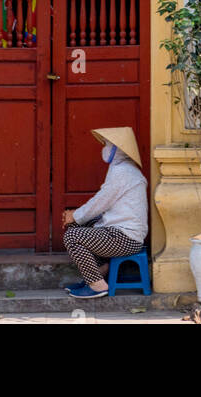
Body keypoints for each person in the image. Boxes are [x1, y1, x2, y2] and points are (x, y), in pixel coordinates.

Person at [62, 126, 148, 298]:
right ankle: (99, 272)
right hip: (120, 233)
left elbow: (102, 201)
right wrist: (77, 218)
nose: (104, 149)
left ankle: (97, 285)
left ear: (118, 149)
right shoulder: (123, 169)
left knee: (72, 237)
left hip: (124, 238)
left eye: (108, 145)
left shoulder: (123, 171)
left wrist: (75, 215)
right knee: (77, 227)